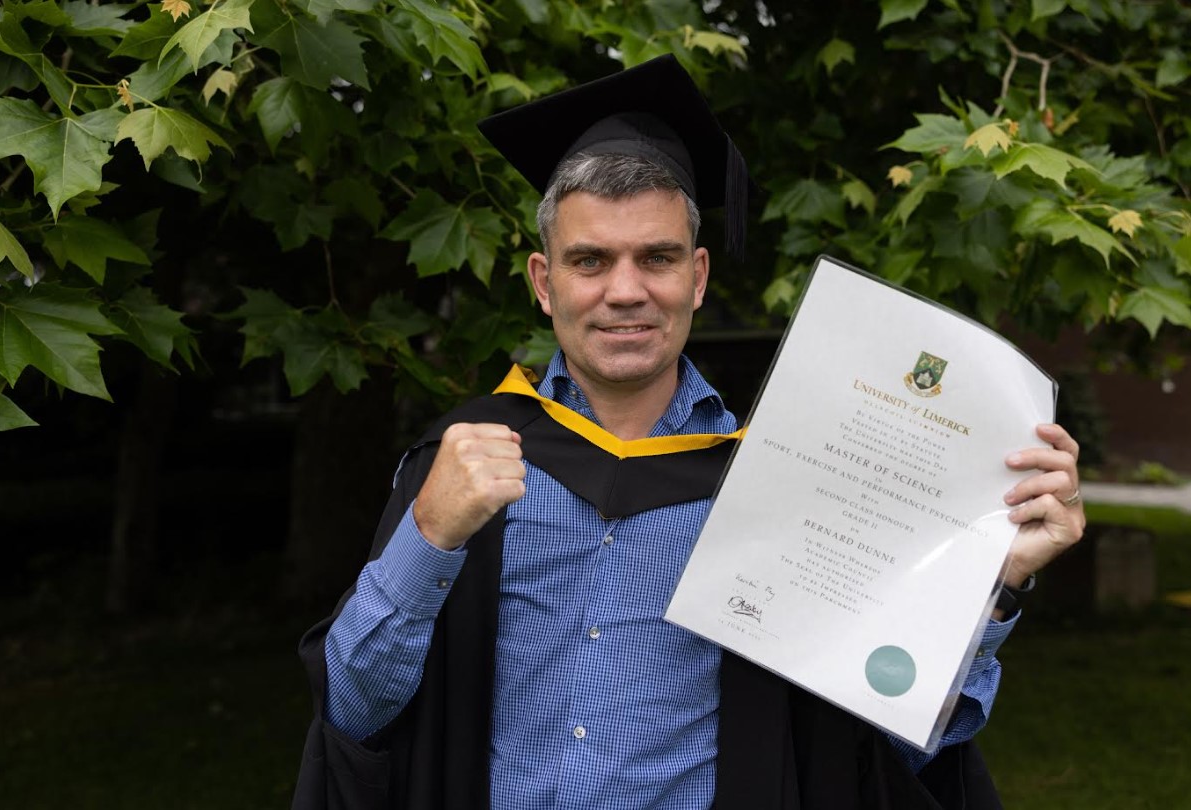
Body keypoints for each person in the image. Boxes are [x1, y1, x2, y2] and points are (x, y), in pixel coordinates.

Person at [291, 55, 1086, 810]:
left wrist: (991, 587)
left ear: (697, 277)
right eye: (590, 260)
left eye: (657, 258)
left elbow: (887, 741)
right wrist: (428, 535)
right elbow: (354, 709)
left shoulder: (777, 484)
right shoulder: (457, 463)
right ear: (544, 282)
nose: (625, 291)